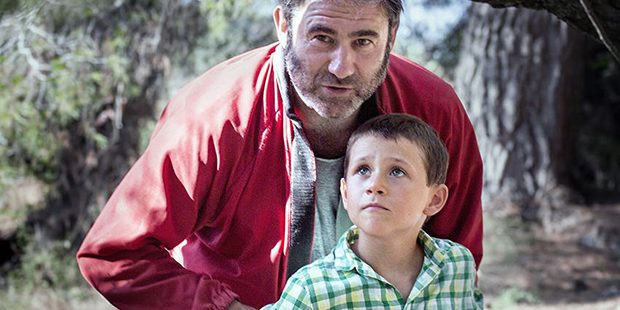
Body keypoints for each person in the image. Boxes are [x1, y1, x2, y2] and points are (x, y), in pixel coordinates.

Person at [76, 1, 484, 309]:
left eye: (364, 41)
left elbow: (456, 253)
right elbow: (113, 254)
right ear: (283, 26)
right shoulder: (214, 117)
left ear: (391, 37)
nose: (342, 67)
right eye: (322, 37)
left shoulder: (434, 109)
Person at [263, 113, 483, 309]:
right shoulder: (312, 289)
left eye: (397, 171)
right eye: (363, 170)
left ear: (434, 199)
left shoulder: (457, 265)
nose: (374, 185)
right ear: (346, 193)